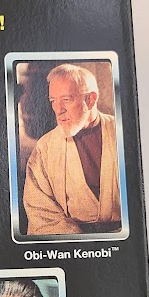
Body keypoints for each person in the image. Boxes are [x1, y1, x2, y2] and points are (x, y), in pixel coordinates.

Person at [22, 63, 122, 236]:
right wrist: (79, 241)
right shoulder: (46, 147)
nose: (58, 110)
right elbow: (39, 210)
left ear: (90, 100)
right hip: (70, 241)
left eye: (66, 100)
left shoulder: (122, 133)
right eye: (53, 101)